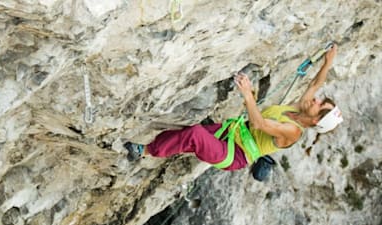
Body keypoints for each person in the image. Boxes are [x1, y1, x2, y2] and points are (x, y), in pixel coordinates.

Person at [124, 45, 344, 181]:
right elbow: (316, 83)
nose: (315, 99)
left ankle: (144, 150)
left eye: (319, 105)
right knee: (187, 132)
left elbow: (259, 125)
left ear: (315, 120)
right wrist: (328, 61)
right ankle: (151, 148)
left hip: (235, 155)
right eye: (320, 100)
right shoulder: (300, 109)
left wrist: (248, 95)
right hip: (231, 132)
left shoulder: (293, 132)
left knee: (195, 134)